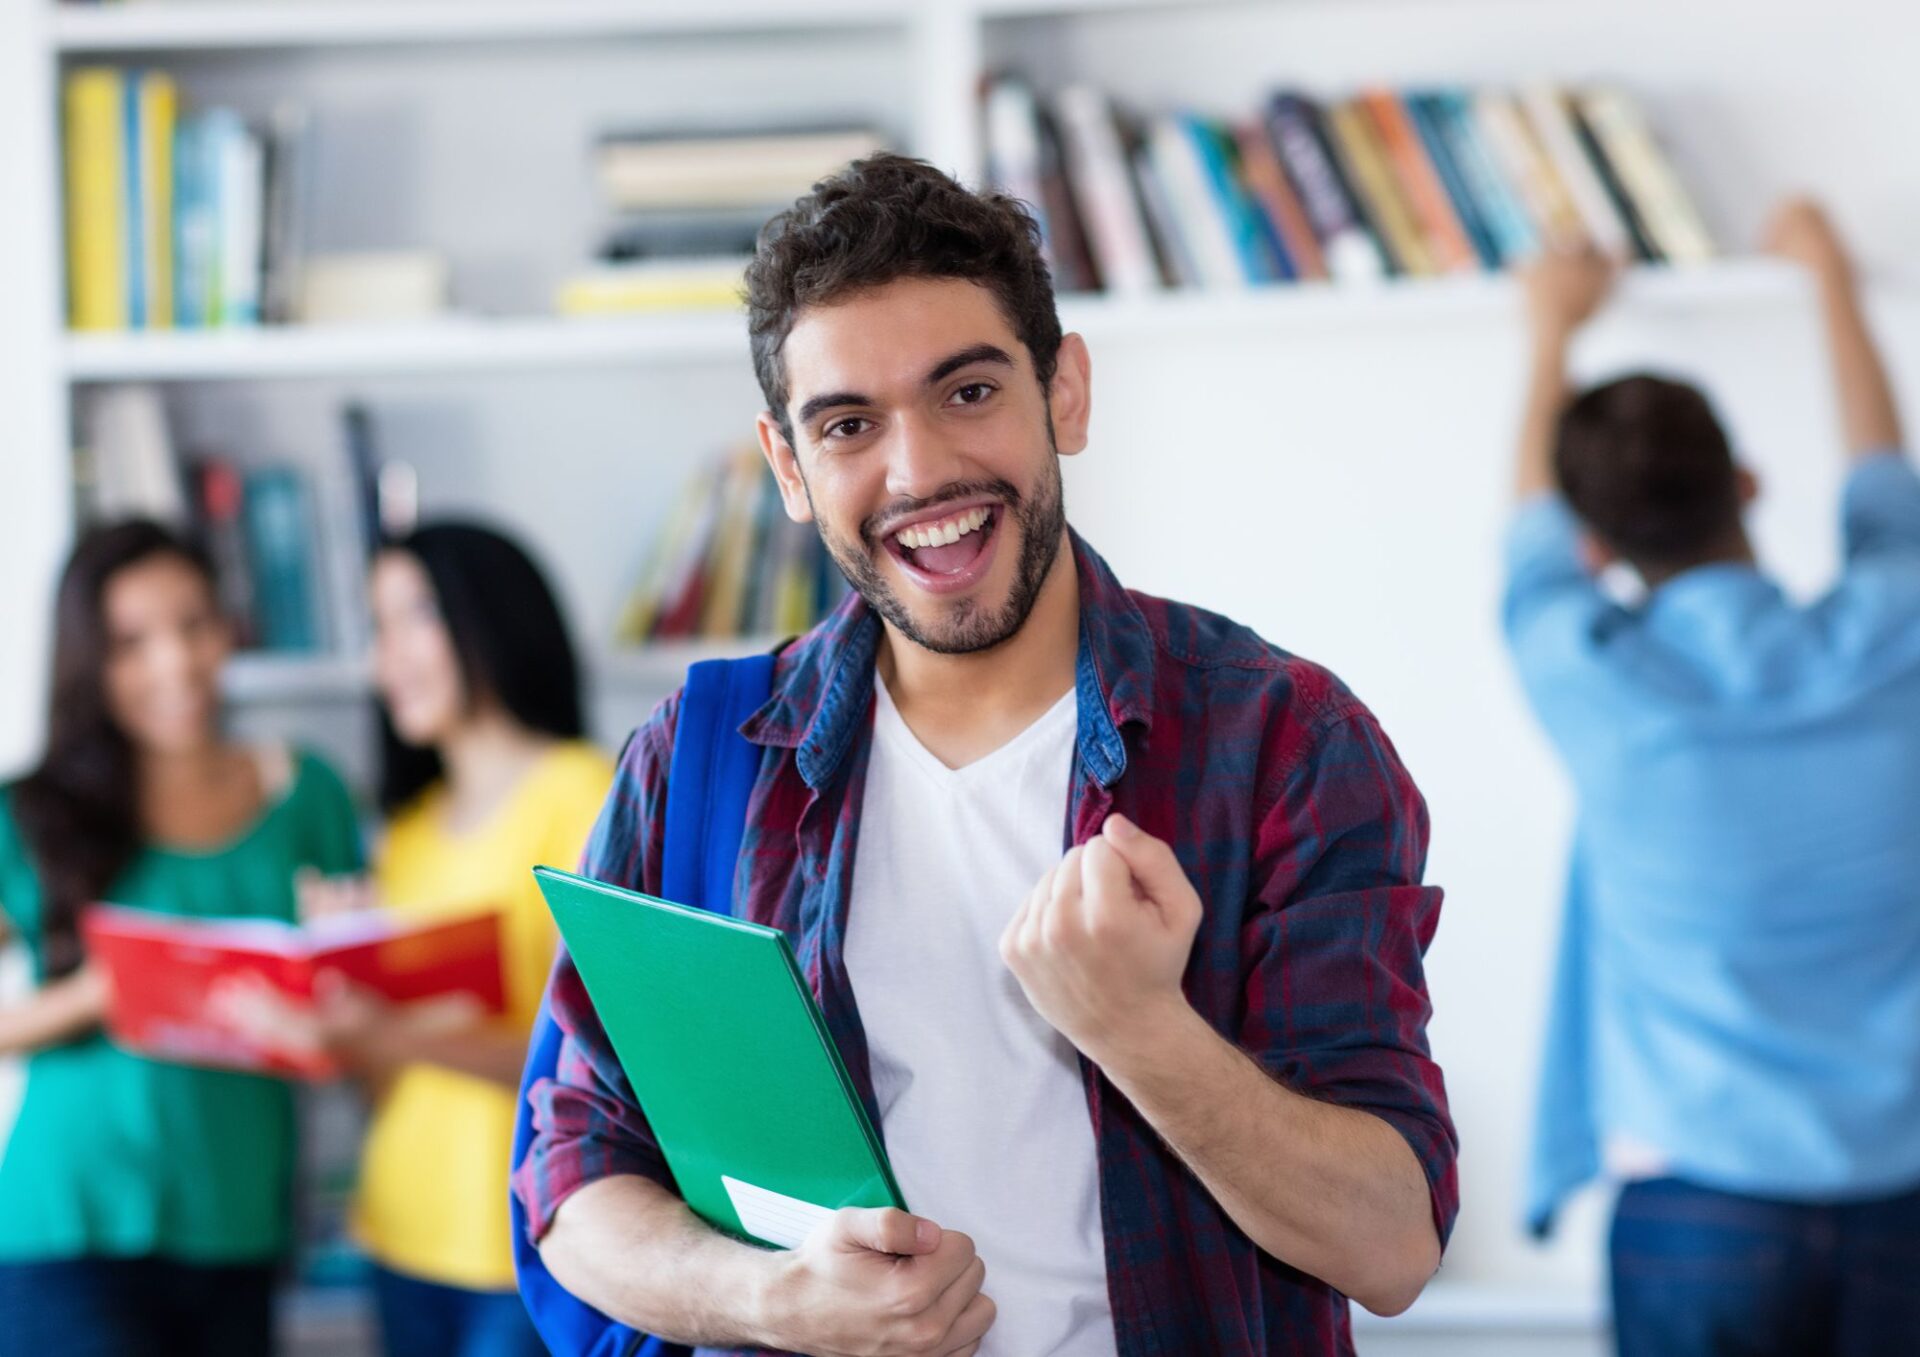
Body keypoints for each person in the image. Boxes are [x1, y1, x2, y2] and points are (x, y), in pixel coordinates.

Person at [514, 153, 1456, 1356]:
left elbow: (1391, 1246)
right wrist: (772, 1298)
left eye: (967, 392)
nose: (920, 473)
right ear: (789, 467)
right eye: (850, 424)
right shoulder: (695, 760)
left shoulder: (1282, 741)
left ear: (1064, 391)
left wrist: (1141, 1031)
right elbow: (571, 1180)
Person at [1506, 201, 1920, 1356]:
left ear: (1596, 545)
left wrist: (1550, 328)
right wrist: (1828, 278)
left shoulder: (1596, 683)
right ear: (1749, 482)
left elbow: (1528, 545)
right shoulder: (1899, 634)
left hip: (1698, 1209)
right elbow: (1887, 481)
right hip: (1902, 1196)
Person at [0, 520, 362, 1356]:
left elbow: (344, 1020)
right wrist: (104, 988)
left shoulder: (308, 794)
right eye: (132, 641)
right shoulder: (36, 811)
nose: (176, 663)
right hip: (67, 1222)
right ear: (90, 661)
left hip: (237, 1220)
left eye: (194, 623)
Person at [307, 523, 612, 1357]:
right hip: (396, 1229)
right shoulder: (402, 835)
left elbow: (600, 1062)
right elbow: (378, 1080)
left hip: (519, 1238)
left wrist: (391, 1032)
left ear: (489, 617)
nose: (388, 657)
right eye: (378, 627)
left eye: (416, 617)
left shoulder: (580, 793)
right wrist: (335, 997)